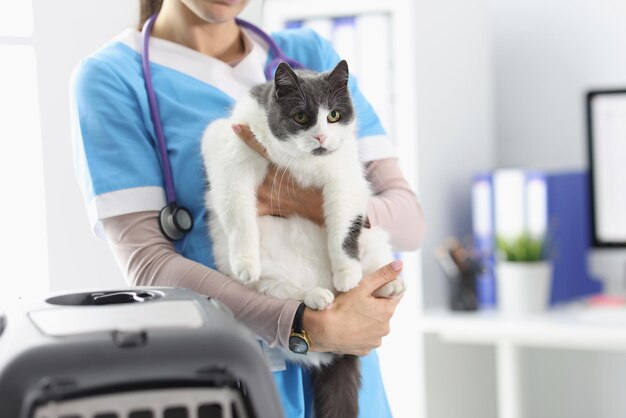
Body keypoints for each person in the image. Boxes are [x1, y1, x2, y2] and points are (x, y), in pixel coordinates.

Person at [70, 0, 425, 416]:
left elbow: (409, 220)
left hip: (351, 385)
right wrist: (299, 325)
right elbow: (148, 263)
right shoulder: (112, 78)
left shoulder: (311, 56)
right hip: (224, 383)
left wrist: (319, 208)